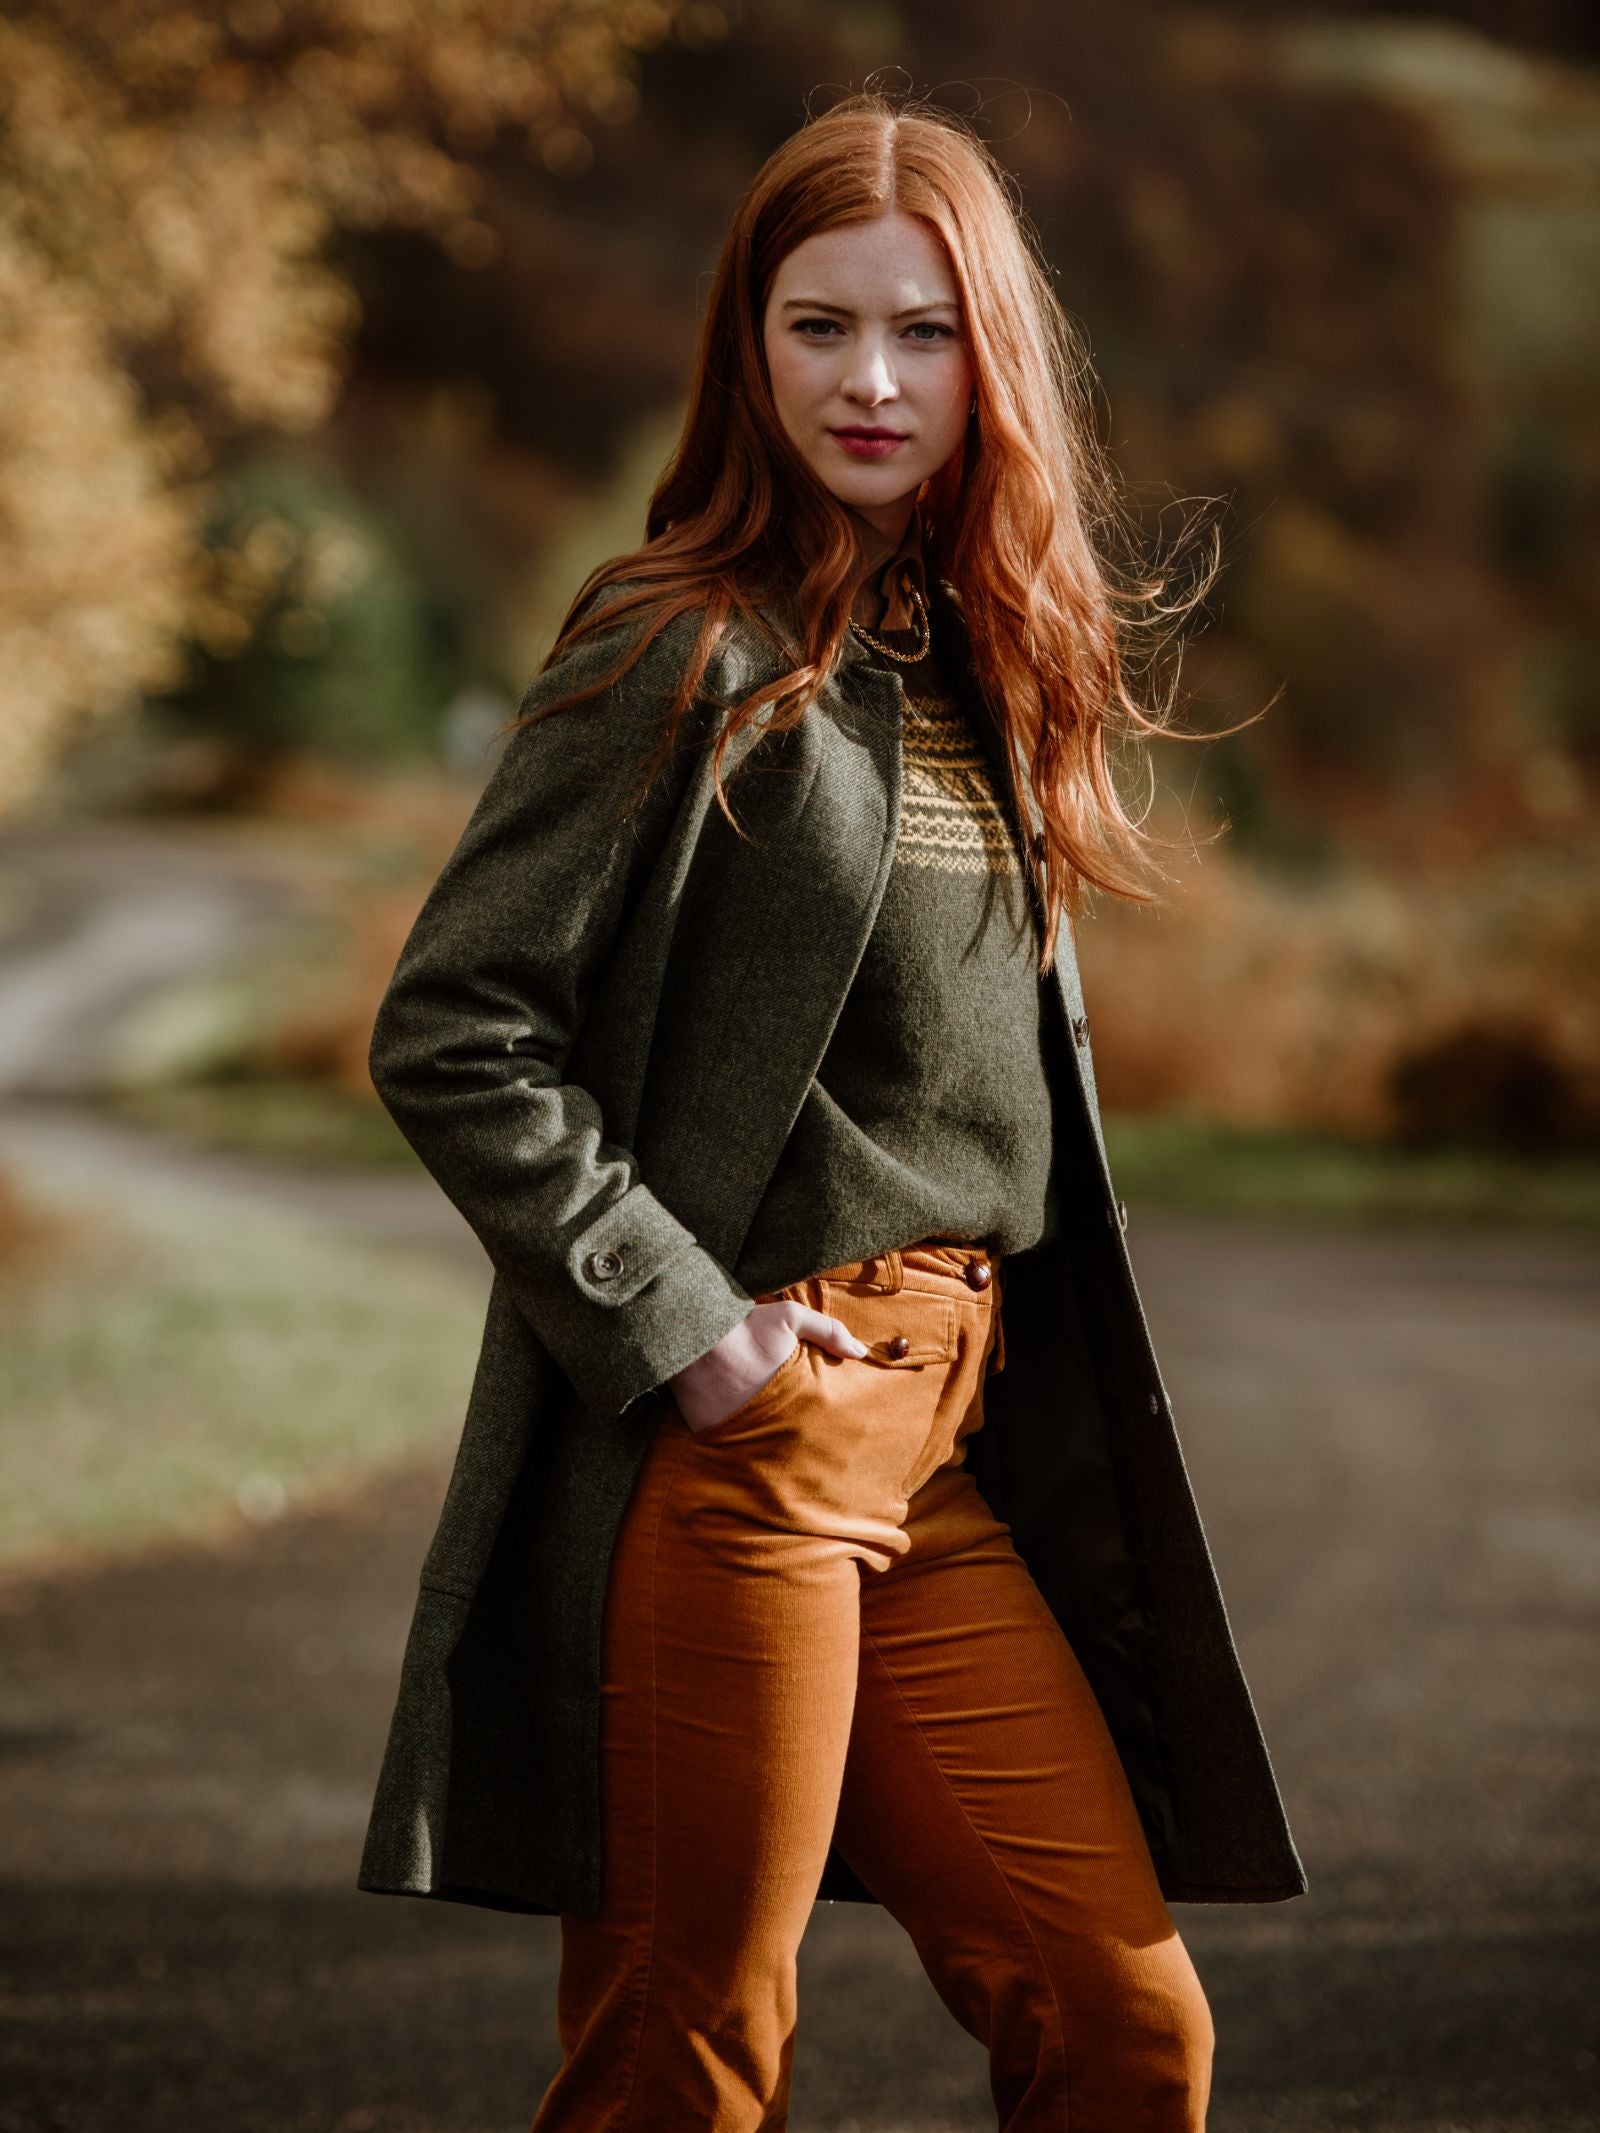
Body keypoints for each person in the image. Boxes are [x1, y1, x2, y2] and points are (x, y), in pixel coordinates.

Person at [356, 91, 1306, 2132]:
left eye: (922, 329)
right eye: (816, 326)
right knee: (687, 2049)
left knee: (1124, 2027)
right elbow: (453, 1021)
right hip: (758, 1430)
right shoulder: (675, 641)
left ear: (994, 360)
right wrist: (682, 1324)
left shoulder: (977, 654)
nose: (867, 379)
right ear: (743, 344)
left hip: (942, 1445)